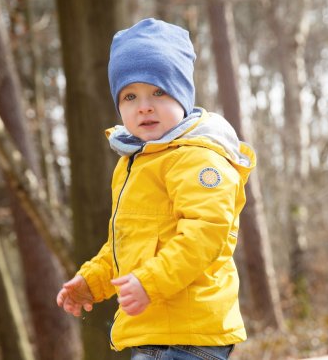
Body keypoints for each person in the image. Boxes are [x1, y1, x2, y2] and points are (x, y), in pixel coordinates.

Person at [57, 18, 256, 360]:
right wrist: (93, 281)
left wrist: (151, 282)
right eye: (130, 95)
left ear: (182, 95)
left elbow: (205, 234)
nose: (144, 106)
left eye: (158, 91)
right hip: (152, 330)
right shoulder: (136, 162)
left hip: (190, 331)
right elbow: (127, 245)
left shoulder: (196, 157)